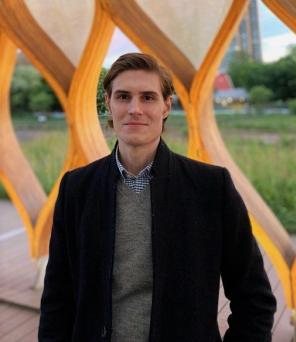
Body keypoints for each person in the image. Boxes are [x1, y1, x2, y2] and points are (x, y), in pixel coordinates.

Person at [38, 52, 276, 341]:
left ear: (166, 106)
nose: (135, 108)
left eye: (148, 97)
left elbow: (254, 299)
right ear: (108, 103)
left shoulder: (211, 187)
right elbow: (57, 299)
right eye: (123, 96)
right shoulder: (76, 188)